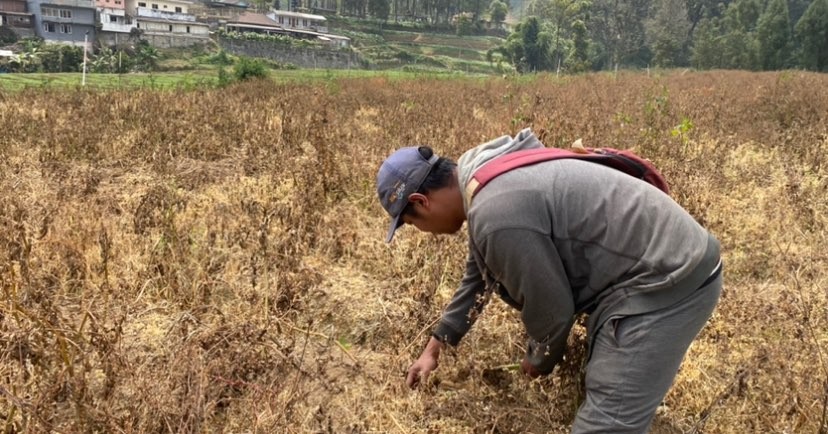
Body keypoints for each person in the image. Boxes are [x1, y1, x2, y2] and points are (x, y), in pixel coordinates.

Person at [375, 128, 723, 433]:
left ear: (421, 202)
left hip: (666, 282)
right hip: (660, 262)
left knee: (606, 422)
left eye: (410, 222)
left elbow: (553, 310)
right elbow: (479, 276)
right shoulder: (485, 176)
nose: (424, 232)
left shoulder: (495, 211)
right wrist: (434, 349)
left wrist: (539, 358)